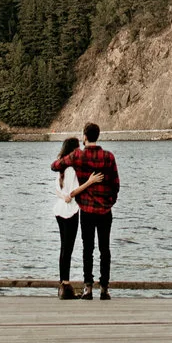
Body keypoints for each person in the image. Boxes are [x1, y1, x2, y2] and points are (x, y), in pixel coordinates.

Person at [48, 121, 120, 299]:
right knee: (105, 249)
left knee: (88, 249)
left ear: (85, 136)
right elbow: (115, 185)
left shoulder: (78, 156)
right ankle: (104, 288)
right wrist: (109, 202)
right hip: (105, 210)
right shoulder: (109, 157)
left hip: (87, 209)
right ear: (98, 135)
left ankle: (88, 287)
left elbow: (55, 166)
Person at [50, 135, 99, 296]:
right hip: (70, 210)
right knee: (68, 248)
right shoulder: (72, 169)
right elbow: (74, 191)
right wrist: (90, 182)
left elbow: (56, 189)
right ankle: (65, 285)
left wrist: (62, 196)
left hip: (59, 209)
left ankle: (63, 284)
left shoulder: (61, 167)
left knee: (63, 247)